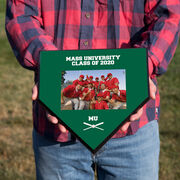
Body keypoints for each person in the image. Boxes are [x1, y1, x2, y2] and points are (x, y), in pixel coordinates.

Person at [5, 0, 180, 179]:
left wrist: (143, 66)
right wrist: (50, 68)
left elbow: (168, 15)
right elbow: (22, 14)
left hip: (133, 125)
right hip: (58, 127)